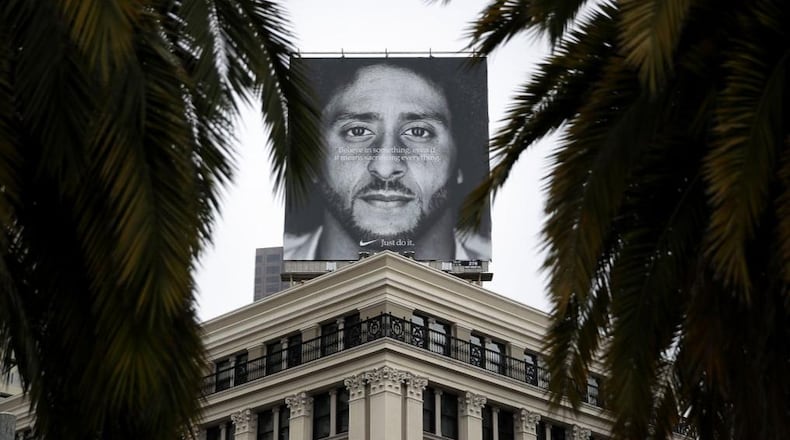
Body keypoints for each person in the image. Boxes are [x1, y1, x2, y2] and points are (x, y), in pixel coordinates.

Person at [285, 59, 491, 261]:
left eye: (418, 132)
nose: (385, 168)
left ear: (459, 159)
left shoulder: (500, 284)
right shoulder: (274, 283)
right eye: (357, 131)